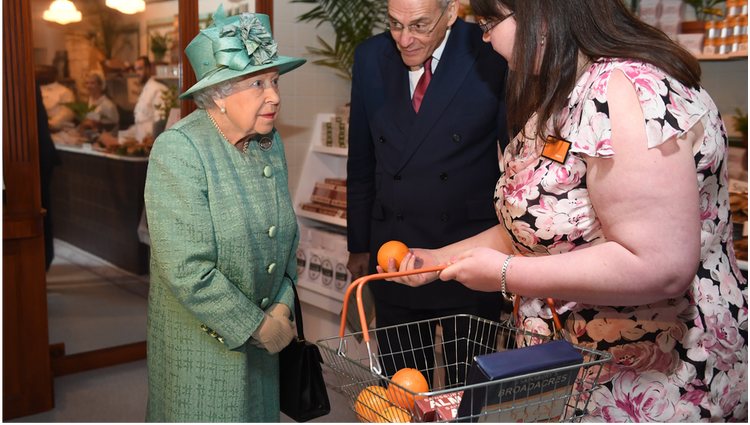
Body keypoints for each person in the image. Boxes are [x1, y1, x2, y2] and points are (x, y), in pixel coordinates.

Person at [388, 0, 748, 421]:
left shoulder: (624, 90)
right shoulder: (571, 89)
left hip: (651, 380)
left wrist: (505, 273)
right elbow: (541, 226)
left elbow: (660, 264)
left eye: (489, 24)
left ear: (538, 14)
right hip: (581, 367)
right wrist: (440, 260)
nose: (485, 40)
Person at [143, 6, 305, 422]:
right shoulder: (179, 149)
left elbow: (284, 236)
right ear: (218, 93)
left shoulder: (270, 142)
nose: (275, 96)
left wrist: (283, 305)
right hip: (203, 350)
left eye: (274, 80)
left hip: (265, 344)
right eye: (257, 83)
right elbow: (187, 269)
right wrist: (255, 325)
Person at [346, 0, 509, 385]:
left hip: (469, 249)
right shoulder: (370, 57)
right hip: (395, 252)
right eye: (395, 24)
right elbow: (361, 160)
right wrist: (358, 245)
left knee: (468, 393)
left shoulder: (489, 47)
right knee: (403, 390)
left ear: (450, 12)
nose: (405, 39)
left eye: (419, 25)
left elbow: (514, 148)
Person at [132, 56, 167, 142]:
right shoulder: (144, 90)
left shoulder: (158, 89)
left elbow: (160, 121)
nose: (137, 73)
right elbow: (139, 123)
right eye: (135, 70)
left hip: (151, 143)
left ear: (148, 69)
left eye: (140, 69)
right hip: (139, 142)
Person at [36, 65, 75, 131]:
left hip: (55, 129)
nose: (42, 76)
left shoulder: (64, 91)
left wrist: (50, 124)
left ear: (54, 75)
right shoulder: (33, 90)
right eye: (38, 73)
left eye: (44, 73)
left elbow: (67, 112)